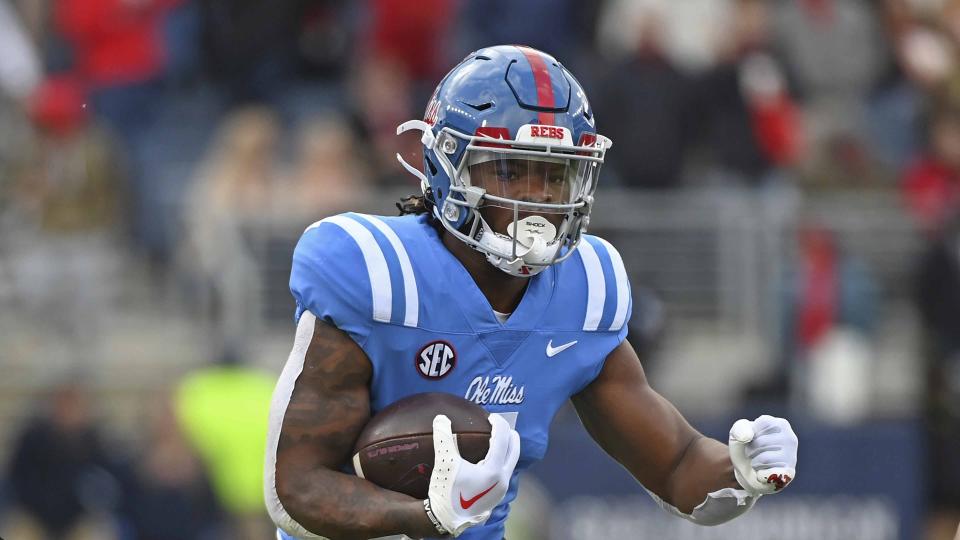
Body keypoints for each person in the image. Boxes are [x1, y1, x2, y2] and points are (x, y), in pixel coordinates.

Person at [264, 45, 799, 540]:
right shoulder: (377, 272)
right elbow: (295, 487)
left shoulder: (585, 292)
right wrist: (422, 517)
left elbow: (678, 466)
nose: (537, 198)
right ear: (447, 166)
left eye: (555, 176)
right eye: (509, 170)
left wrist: (741, 472)